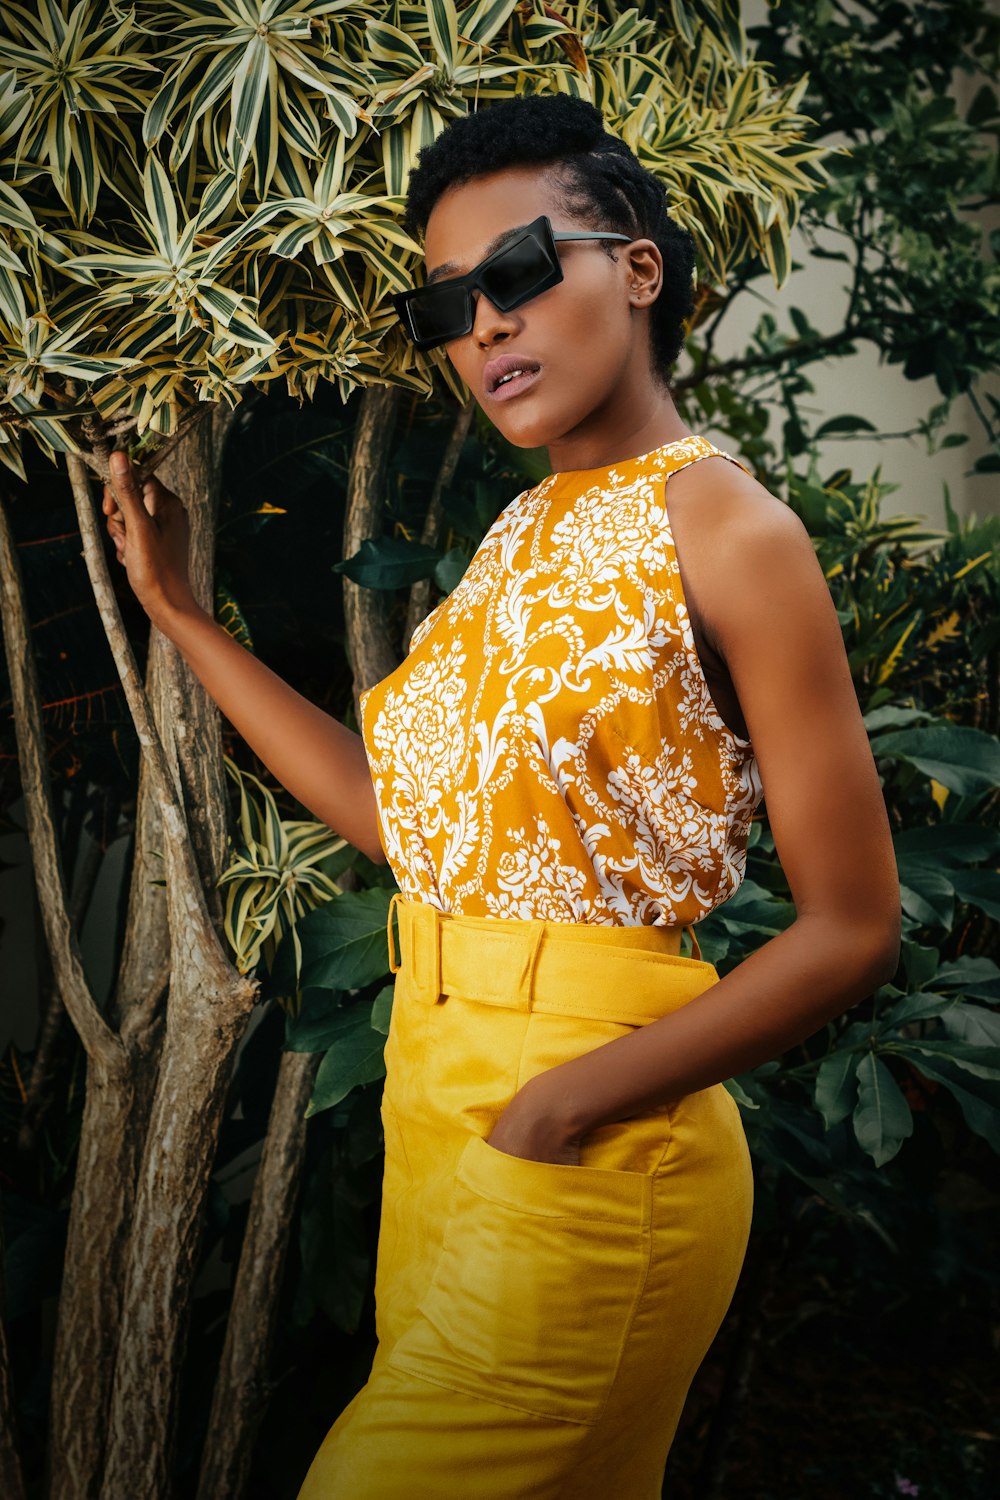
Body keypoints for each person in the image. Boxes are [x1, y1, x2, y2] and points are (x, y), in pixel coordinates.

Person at [103, 94, 901, 1500]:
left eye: (519, 273)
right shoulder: (524, 527)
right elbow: (418, 832)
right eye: (448, 305)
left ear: (637, 268)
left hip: (591, 1137)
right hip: (439, 1103)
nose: (483, 326)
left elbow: (851, 926)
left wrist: (565, 1103)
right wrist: (183, 616)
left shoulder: (734, 531)